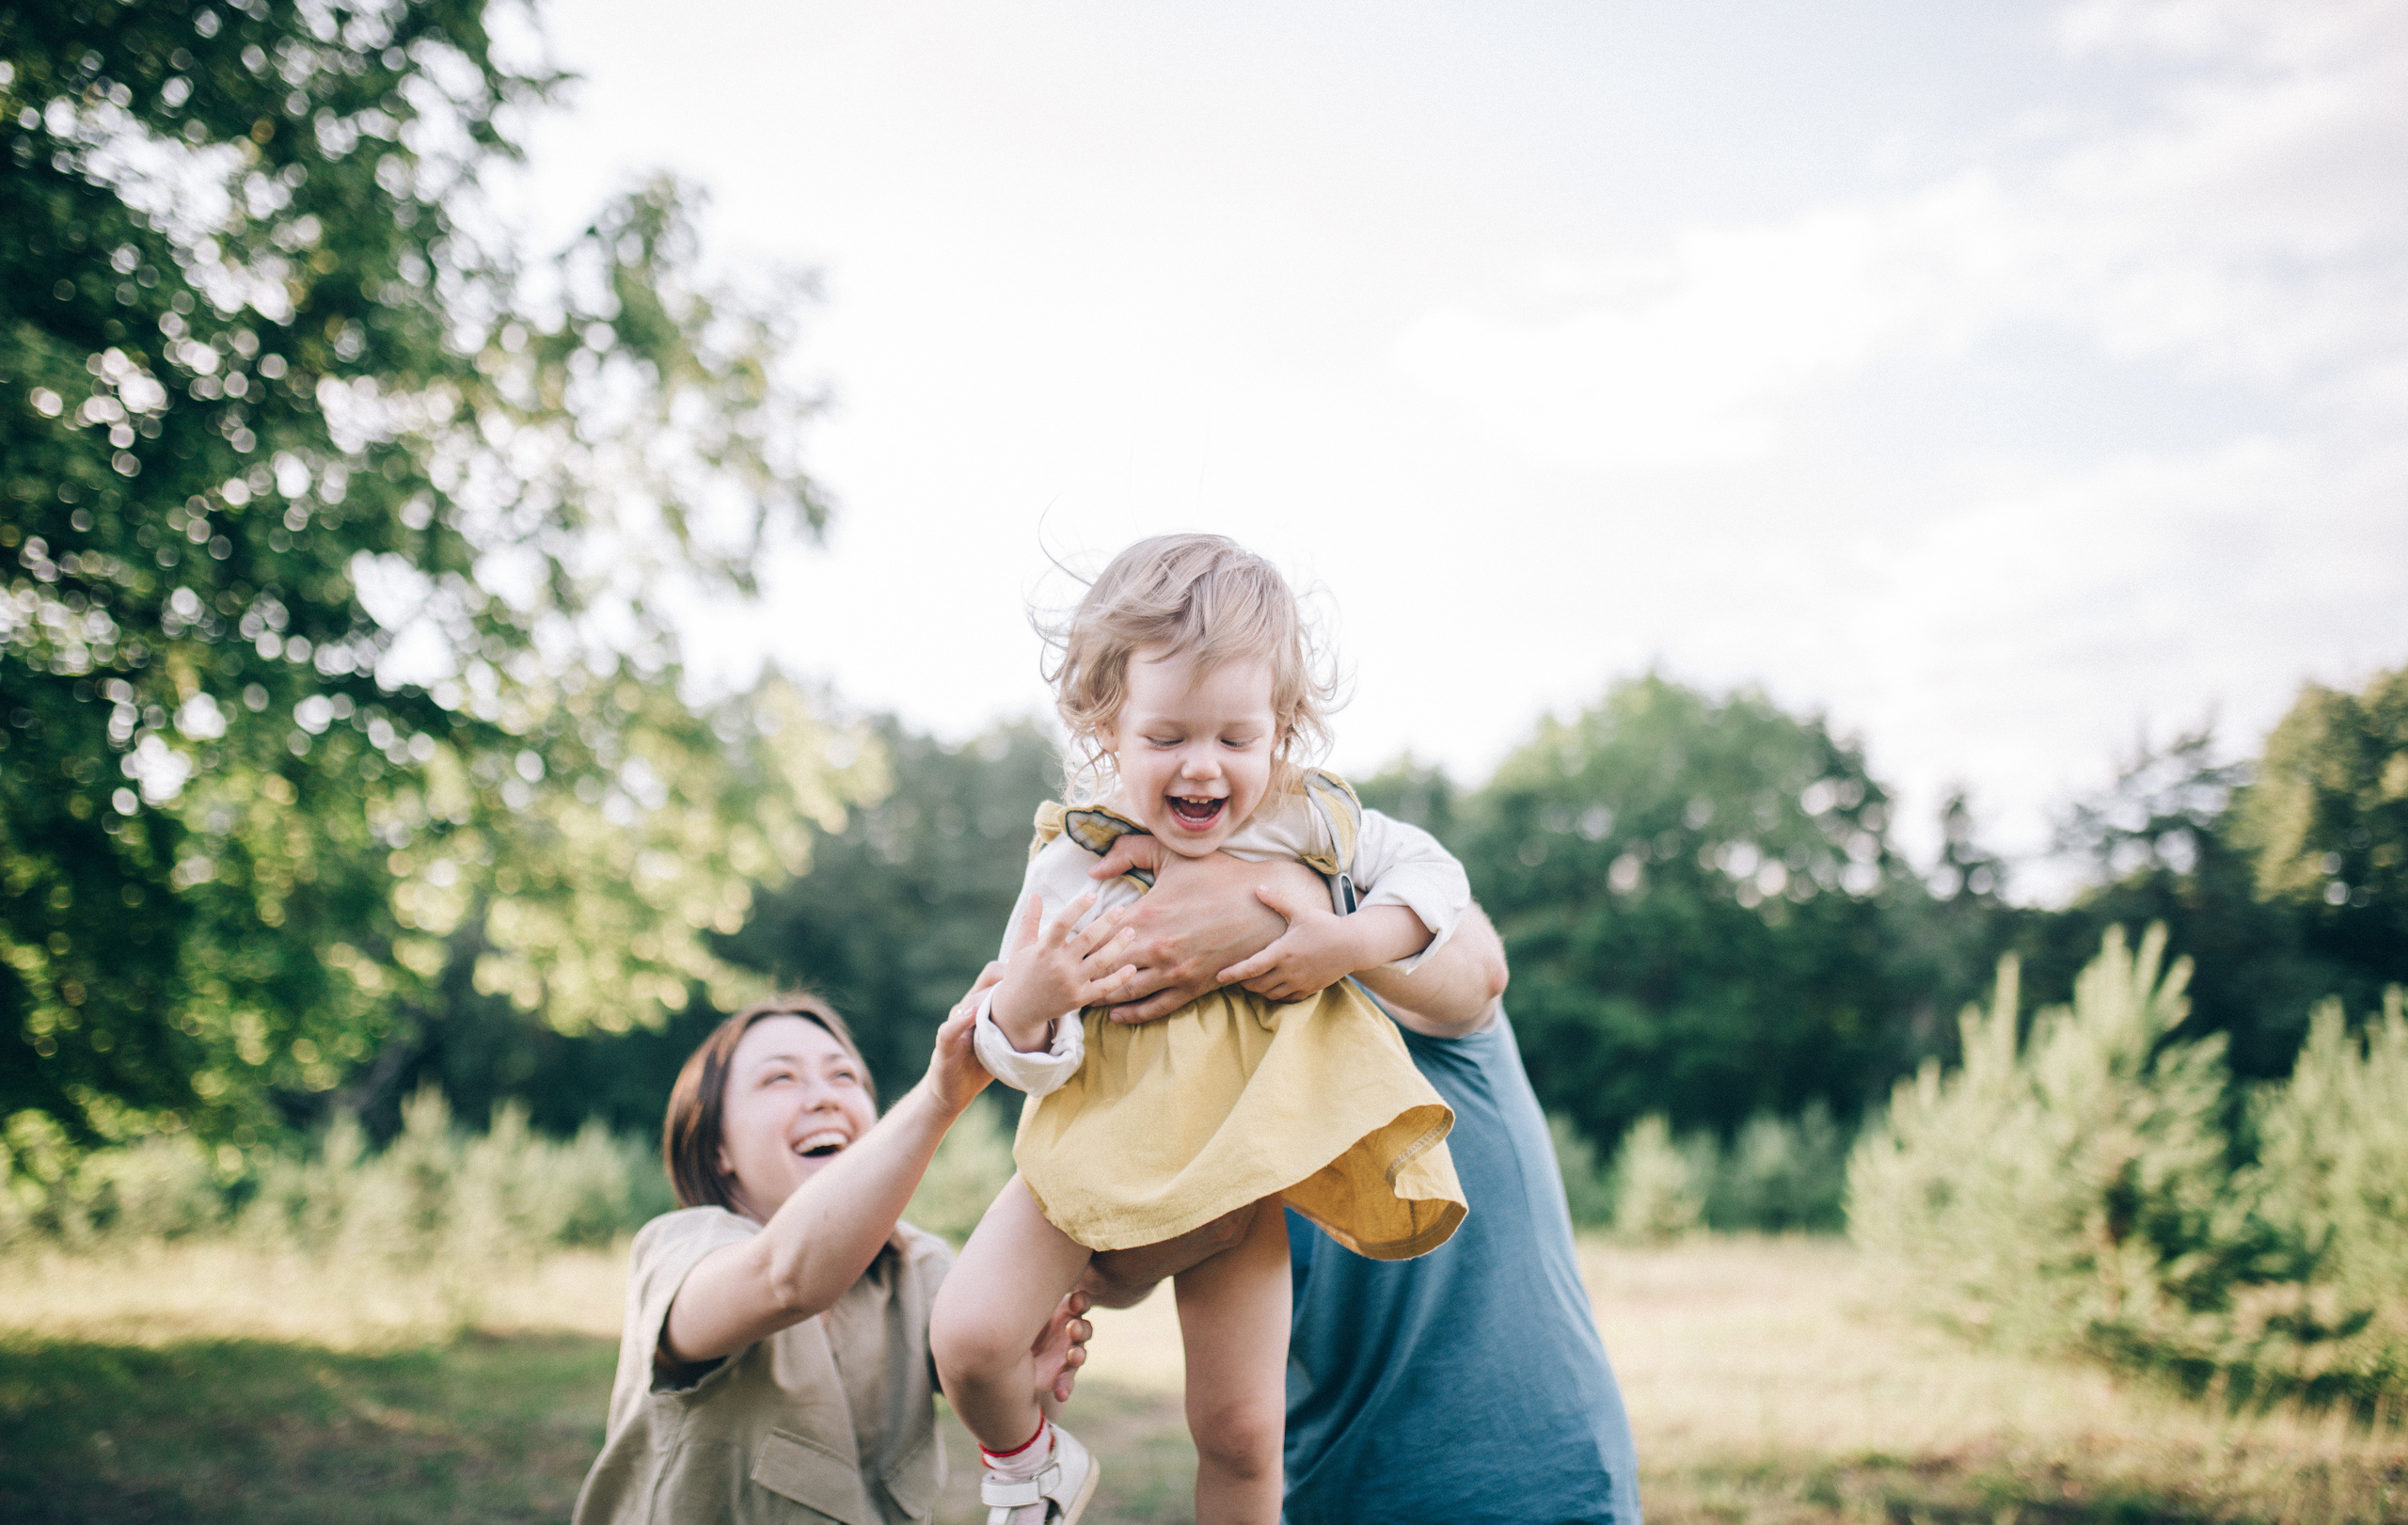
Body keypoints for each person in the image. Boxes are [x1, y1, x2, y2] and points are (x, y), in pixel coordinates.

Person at [931, 535, 1475, 1525]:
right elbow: (1010, 1051)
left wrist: (1346, 940)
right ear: (1109, 726)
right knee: (968, 1337)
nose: (1202, 765)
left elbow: (1436, 879)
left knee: (1239, 1427)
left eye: (1234, 736)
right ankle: (1029, 1469)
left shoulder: (1308, 822)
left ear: (1281, 730)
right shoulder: (1074, 861)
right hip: (1094, 1140)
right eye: (1166, 735)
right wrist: (1032, 995)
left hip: (1242, 1155)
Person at [1089, 886, 1645, 1525]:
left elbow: (1483, 971)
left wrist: (1264, 913)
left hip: (1530, 1484)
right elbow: (1120, 1266)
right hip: (1341, 1491)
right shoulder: (1213, 1077)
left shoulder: (1397, 995)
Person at [572, 991, 1092, 1525]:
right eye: (780, 1078)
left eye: (844, 1076)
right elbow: (784, 1280)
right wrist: (939, 1096)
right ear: (716, 1148)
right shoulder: (678, 1248)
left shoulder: (919, 1265)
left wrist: (1023, 1370)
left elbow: (1007, 1384)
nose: (825, 1098)